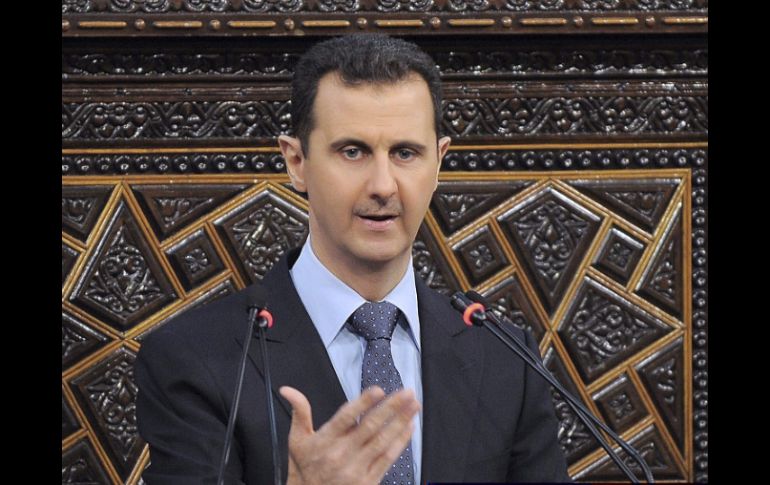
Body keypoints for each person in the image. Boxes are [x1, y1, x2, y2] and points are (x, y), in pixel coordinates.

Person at [135, 33, 571, 484]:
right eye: (353, 152)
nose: (382, 186)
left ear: (439, 162)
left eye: (405, 153)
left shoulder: (503, 356)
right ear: (297, 162)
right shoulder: (196, 359)